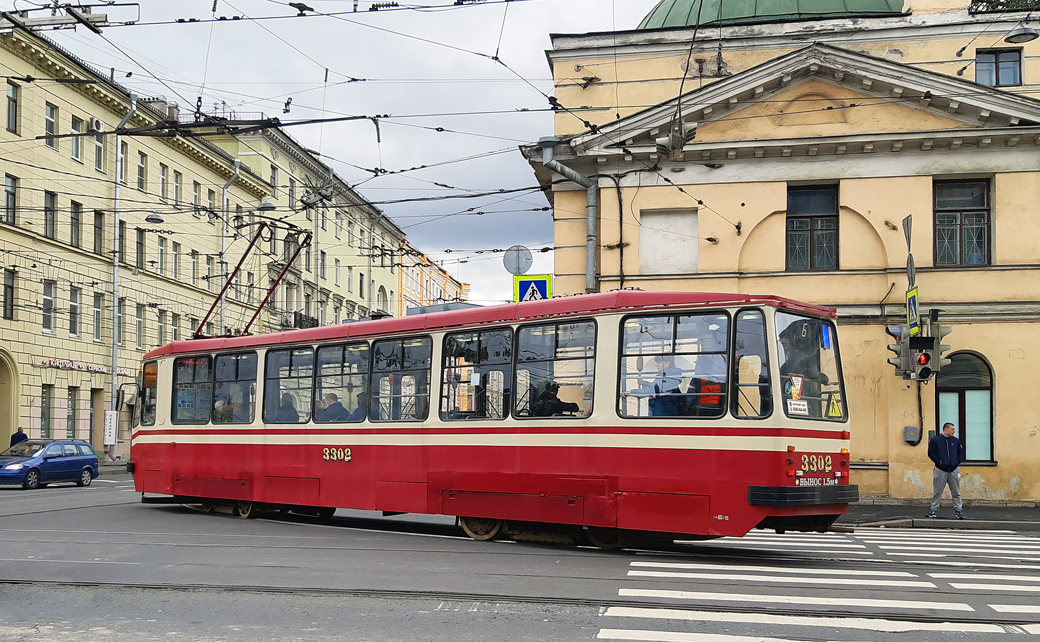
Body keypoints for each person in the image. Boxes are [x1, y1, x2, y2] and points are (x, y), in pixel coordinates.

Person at [928, 422, 966, 519]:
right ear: (946, 430)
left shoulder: (956, 441)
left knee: (956, 491)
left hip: (954, 469)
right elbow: (931, 453)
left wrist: (956, 462)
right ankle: (933, 509)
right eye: (952, 429)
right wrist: (939, 462)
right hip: (940, 469)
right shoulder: (935, 440)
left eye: (954, 429)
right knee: (937, 491)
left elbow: (961, 453)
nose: (954, 431)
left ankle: (959, 510)